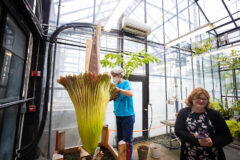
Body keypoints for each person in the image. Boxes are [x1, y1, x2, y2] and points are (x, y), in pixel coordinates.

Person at [175, 88, 233, 160]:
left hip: (212, 155)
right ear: (191, 98)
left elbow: (227, 137)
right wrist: (197, 141)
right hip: (189, 155)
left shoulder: (215, 114)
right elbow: (178, 131)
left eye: (204, 99)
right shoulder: (183, 112)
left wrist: (212, 141)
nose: (201, 101)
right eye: (198, 98)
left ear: (207, 100)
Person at [111, 67, 135, 160]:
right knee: (120, 139)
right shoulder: (114, 85)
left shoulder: (126, 83)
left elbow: (130, 93)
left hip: (127, 116)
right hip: (118, 116)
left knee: (127, 140)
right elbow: (113, 98)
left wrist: (119, 90)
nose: (113, 78)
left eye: (114, 76)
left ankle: (129, 158)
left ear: (120, 75)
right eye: (112, 76)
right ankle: (121, 157)